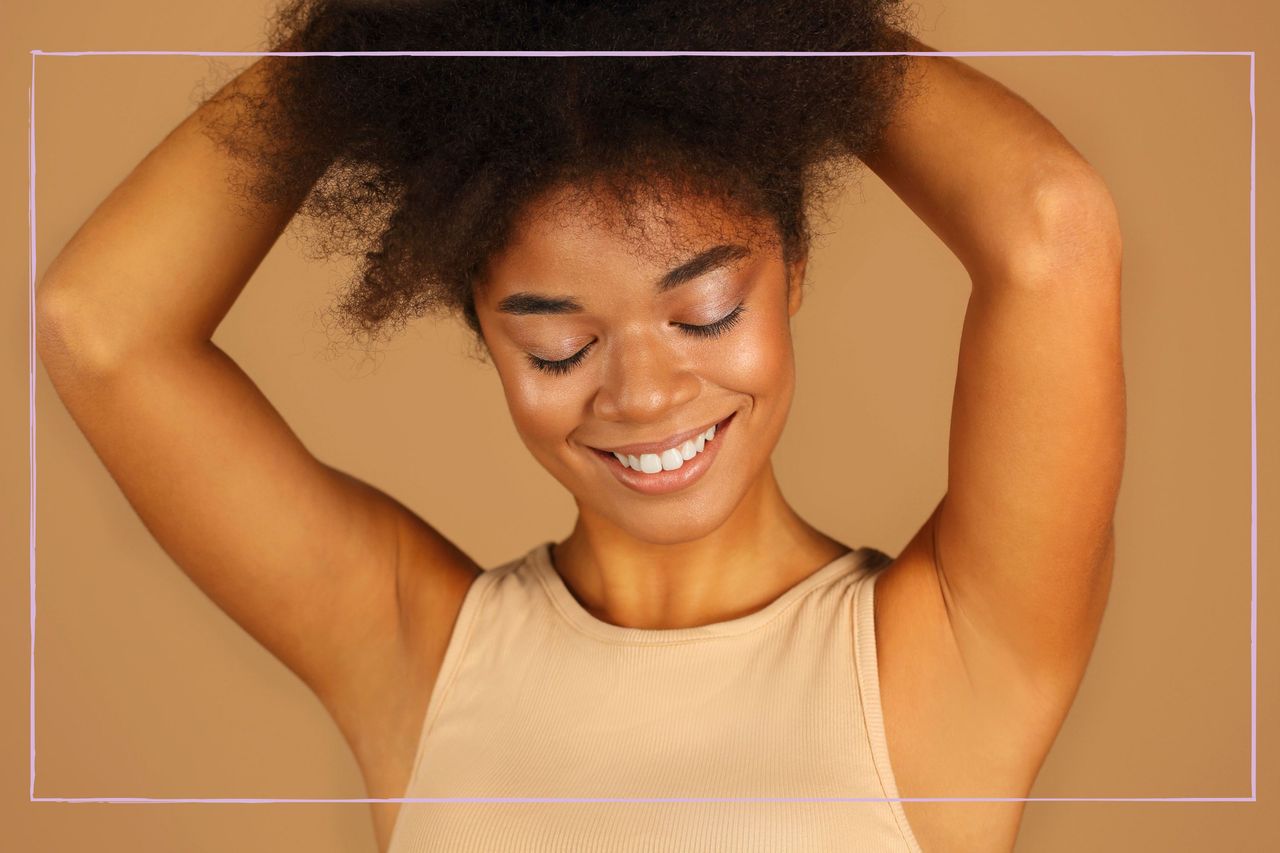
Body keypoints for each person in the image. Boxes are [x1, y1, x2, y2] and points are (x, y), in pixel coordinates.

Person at [35, 1, 1125, 851]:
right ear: (482, 331)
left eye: (701, 311)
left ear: (792, 270)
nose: (642, 395)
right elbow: (98, 328)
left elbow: (1050, 226)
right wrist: (378, 38)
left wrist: (772, 31)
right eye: (559, 346)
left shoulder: (947, 652)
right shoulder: (417, 657)